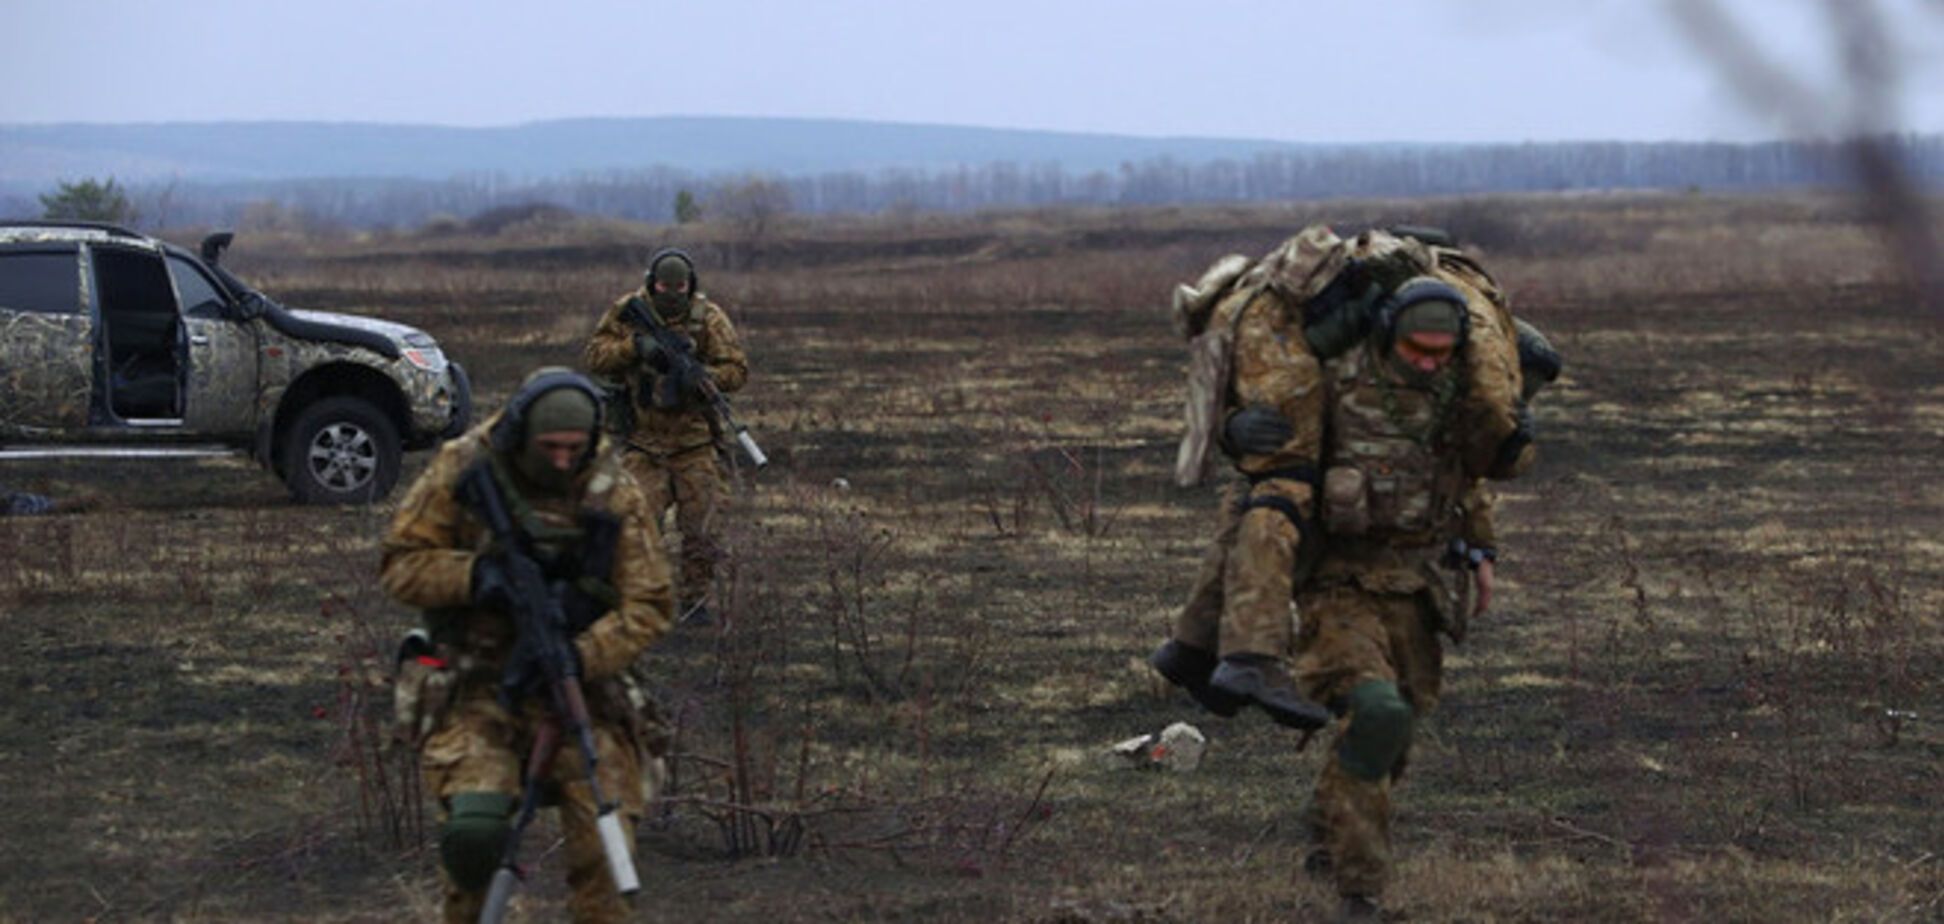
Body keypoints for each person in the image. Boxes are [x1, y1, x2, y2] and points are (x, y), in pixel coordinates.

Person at [380, 368, 674, 924]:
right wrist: (476, 577)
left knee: (606, 855)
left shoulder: (614, 492)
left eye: (574, 448)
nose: (563, 460)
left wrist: (584, 654)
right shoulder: (463, 470)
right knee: (475, 840)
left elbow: (651, 603)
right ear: (520, 434)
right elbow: (400, 564)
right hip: (475, 689)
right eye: (550, 448)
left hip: (584, 691)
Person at [584, 249, 749, 626]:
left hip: (694, 443)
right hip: (643, 441)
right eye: (664, 286)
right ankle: (639, 601)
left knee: (702, 529)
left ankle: (694, 603)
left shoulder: (708, 318)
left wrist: (704, 378)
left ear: (690, 285)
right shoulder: (628, 311)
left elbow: (737, 370)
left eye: (679, 286)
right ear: (650, 282)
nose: (672, 293)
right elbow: (594, 356)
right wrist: (634, 348)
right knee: (634, 525)